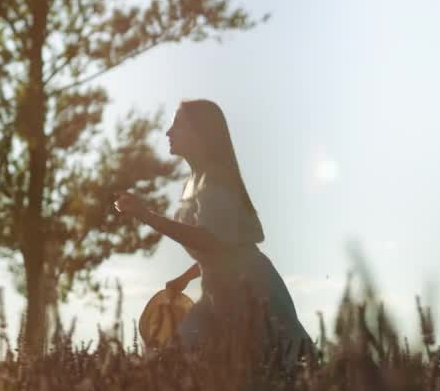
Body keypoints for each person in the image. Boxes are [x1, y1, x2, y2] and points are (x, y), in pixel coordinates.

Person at [111, 99, 312, 366]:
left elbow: (212, 241)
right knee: (177, 363)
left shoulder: (216, 179)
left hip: (250, 292)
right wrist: (185, 278)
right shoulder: (194, 182)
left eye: (177, 125)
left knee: (273, 369)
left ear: (200, 133)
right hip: (218, 292)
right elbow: (222, 251)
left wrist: (146, 216)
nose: (169, 132)